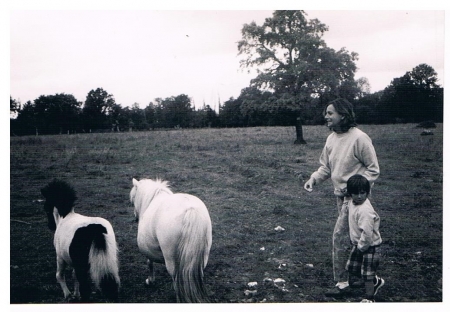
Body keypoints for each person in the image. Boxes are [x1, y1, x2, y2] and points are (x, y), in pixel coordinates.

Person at [303, 98, 380, 297]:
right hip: (340, 198)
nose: (326, 117)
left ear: (343, 115)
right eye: (326, 113)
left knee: (340, 238)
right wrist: (314, 179)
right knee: (353, 238)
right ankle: (365, 277)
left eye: (330, 113)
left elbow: (373, 170)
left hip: (356, 200)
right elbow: (326, 167)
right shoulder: (331, 139)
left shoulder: (360, 138)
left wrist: (356, 189)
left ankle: (343, 283)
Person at [345, 174, 384, 302]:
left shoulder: (365, 210)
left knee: (367, 273)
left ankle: (369, 298)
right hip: (359, 243)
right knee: (352, 267)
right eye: (355, 193)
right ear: (350, 194)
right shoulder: (352, 202)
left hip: (369, 246)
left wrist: (361, 246)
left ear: (367, 192)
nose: (360, 196)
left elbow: (367, 233)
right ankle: (375, 281)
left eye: (363, 193)